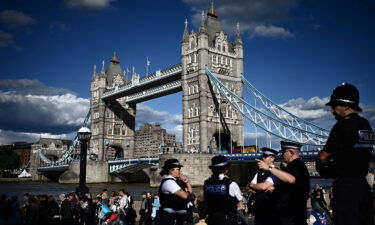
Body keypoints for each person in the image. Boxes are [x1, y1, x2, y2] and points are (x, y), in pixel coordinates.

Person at [316, 83, 374, 225]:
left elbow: (323, 156)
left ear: (346, 106)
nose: (332, 110)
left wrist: (323, 166)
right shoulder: (366, 125)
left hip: (346, 190)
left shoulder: (342, 126)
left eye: (335, 105)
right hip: (363, 188)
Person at [257, 141, 310, 225]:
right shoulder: (294, 166)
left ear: (291, 152)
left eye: (283, 152)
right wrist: (275, 189)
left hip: (292, 215)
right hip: (290, 214)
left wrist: (269, 167)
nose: (282, 155)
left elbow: (291, 179)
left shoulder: (297, 165)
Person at [203, 155, 246, 225]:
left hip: (212, 220)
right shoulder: (231, 184)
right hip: (227, 220)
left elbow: (206, 200)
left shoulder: (207, 183)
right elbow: (240, 204)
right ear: (226, 169)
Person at [247, 147, 279, 225]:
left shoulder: (276, 172)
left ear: (272, 158)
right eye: (263, 155)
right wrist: (252, 185)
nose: (262, 158)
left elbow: (263, 187)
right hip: (258, 209)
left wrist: (254, 186)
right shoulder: (259, 172)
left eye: (265, 156)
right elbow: (248, 188)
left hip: (271, 210)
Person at [158, 158, 193, 225]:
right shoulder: (169, 182)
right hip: (170, 218)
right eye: (178, 169)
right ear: (171, 170)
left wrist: (187, 182)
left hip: (178, 218)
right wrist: (188, 193)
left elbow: (189, 192)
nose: (180, 171)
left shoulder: (175, 181)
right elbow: (185, 195)